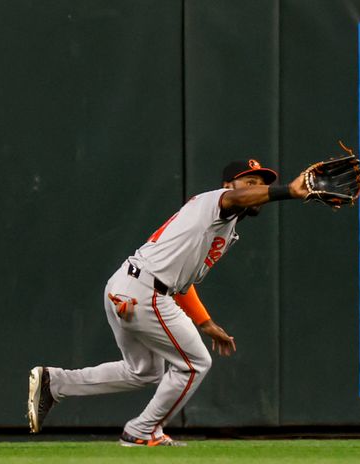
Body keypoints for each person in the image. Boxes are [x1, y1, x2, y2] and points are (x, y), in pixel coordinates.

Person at [28, 159, 308, 446]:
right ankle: (142, 431)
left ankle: (55, 383)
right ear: (228, 186)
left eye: (262, 184)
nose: (258, 188)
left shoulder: (223, 226)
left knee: (144, 371)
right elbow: (236, 198)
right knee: (195, 364)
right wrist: (287, 191)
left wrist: (206, 323)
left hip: (129, 285)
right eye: (250, 182)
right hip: (144, 291)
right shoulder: (217, 201)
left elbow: (181, 284)